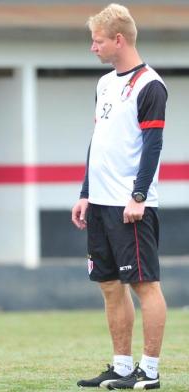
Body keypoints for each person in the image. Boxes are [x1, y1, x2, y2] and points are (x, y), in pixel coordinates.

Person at [71, 4, 167, 390]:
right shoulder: (105, 84)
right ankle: (123, 367)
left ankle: (151, 371)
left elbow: (153, 145)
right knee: (110, 285)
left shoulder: (150, 85)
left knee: (146, 287)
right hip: (100, 205)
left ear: (118, 40)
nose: (93, 48)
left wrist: (138, 196)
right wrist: (85, 193)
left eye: (97, 41)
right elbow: (99, 141)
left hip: (132, 207)